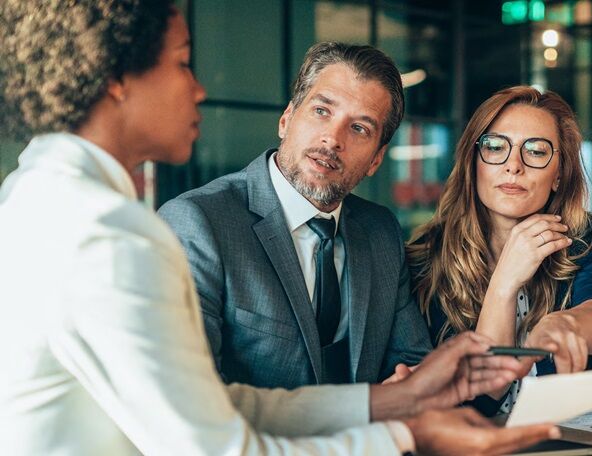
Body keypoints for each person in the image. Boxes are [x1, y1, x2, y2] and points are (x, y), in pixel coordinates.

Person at [0, 2, 558, 454]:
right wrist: (403, 435)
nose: (197, 89)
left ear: (376, 157)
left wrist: (399, 399)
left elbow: (215, 404)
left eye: (359, 127)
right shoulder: (111, 232)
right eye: (182, 62)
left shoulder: (41, 195)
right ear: (119, 76)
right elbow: (219, 447)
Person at [159, 42, 433, 389]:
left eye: (359, 128)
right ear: (286, 119)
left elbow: (413, 362)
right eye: (321, 111)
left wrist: (412, 386)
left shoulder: (380, 231)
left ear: (377, 160)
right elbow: (196, 396)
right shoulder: (198, 223)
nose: (332, 139)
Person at [407, 86, 592, 415]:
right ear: (474, 163)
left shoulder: (582, 242)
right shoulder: (425, 260)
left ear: (558, 175)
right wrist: (505, 282)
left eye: (536, 151)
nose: (513, 166)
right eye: (495, 147)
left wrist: (565, 325)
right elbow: (483, 394)